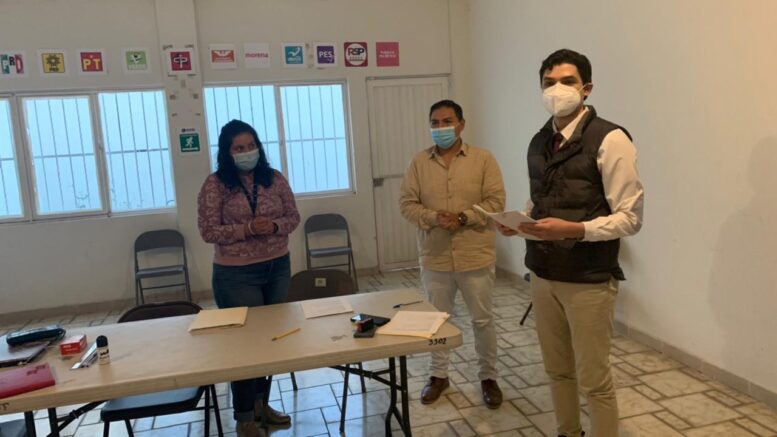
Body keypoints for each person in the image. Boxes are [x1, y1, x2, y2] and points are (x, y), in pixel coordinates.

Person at [497, 49, 644, 437]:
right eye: (549, 83)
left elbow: (630, 218)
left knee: (594, 380)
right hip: (542, 273)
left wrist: (575, 230)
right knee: (557, 370)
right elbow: (541, 199)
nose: (556, 90)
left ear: (587, 88)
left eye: (567, 81)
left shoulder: (610, 139)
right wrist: (521, 222)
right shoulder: (539, 141)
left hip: (588, 278)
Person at [399, 99, 506, 409]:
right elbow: (407, 204)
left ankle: (488, 377)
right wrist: (434, 217)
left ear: (461, 124)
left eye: (447, 121)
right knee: (436, 320)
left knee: (482, 320)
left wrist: (462, 217)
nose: (440, 127)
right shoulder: (419, 162)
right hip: (435, 256)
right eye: (435, 122)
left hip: (475, 255)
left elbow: (496, 201)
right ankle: (439, 375)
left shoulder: (483, 159)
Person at [197, 119, 300, 437]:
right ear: (227, 153)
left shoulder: (274, 178)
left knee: (268, 343)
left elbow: (293, 217)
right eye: (239, 148)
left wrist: (275, 226)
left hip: (277, 267)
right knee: (244, 347)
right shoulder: (215, 185)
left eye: (251, 145)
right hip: (236, 275)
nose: (247, 152)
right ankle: (244, 418)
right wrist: (247, 229)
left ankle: (260, 405)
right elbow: (208, 231)